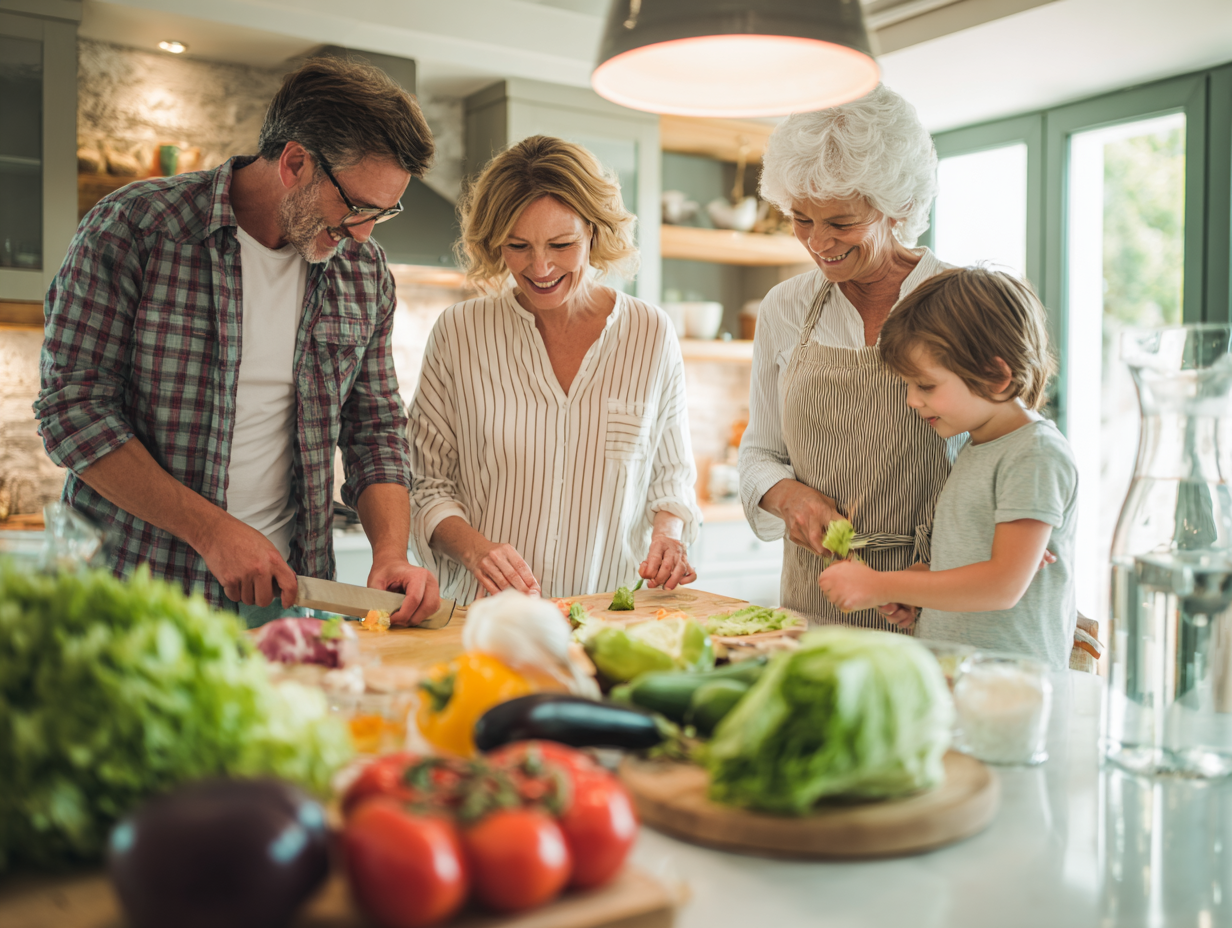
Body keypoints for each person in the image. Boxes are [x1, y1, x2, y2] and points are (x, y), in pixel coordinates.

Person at [35, 57, 442, 626]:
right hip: (130, 586)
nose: (364, 232)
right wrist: (212, 531)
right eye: (355, 208)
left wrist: (391, 552)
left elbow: (373, 425)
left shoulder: (363, 272)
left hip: (286, 596)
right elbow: (72, 411)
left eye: (383, 213)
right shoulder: (136, 228)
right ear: (295, 163)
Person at [408, 135, 701, 603]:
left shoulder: (650, 333)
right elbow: (426, 487)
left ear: (593, 231)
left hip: (607, 619)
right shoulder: (459, 333)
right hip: (488, 619)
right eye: (518, 245)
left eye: (560, 244)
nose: (539, 267)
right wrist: (475, 551)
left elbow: (671, 478)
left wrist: (668, 534)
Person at [738, 84, 961, 629]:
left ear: (900, 206)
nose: (817, 242)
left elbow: (1012, 459)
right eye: (800, 218)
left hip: (938, 595)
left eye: (841, 222)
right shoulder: (785, 308)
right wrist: (788, 497)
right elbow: (759, 453)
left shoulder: (964, 303)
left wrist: (933, 570)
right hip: (817, 600)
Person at [817, 267, 1078, 670]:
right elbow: (969, 559)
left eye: (925, 385)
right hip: (960, 676)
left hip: (1008, 687)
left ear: (995, 376)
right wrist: (917, 587)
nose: (911, 401)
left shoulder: (1034, 454)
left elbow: (1002, 585)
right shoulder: (978, 447)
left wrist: (880, 584)